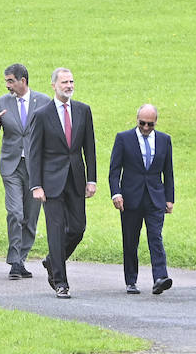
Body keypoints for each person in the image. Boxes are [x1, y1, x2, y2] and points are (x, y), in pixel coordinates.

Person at [26, 67, 96, 299]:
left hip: (76, 178)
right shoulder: (42, 114)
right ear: (54, 85)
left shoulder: (83, 110)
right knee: (55, 231)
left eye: (71, 81)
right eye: (64, 82)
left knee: (78, 228)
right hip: (51, 182)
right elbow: (34, 152)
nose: (69, 86)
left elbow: (89, 148)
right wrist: (36, 185)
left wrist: (91, 180)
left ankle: (52, 261)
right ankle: (61, 282)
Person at [0, 63, 52, 279]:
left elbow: (52, 132)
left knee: (31, 217)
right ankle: (14, 261)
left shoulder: (43, 101)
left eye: (10, 81)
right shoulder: (2, 102)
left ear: (23, 81)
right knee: (15, 212)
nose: (7, 86)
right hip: (11, 166)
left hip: (35, 168)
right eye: (6, 81)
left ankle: (21, 259)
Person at [108, 104, 175, 295]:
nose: (146, 128)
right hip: (130, 198)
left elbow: (168, 172)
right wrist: (116, 193)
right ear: (136, 120)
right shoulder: (124, 138)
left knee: (155, 237)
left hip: (155, 197)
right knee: (131, 240)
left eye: (150, 124)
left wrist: (169, 198)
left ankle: (160, 277)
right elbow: (114, 171)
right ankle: (131, 280)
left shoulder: (164, 140)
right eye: (142, 123)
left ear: (156, 122)